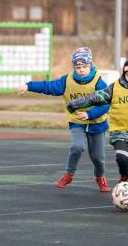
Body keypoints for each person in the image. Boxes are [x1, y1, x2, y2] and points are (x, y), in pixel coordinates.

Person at [67, 54, 128, 204]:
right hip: (119, 132)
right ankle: (125, 175)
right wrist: (76, 103)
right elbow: (95, 97)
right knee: (122, 158)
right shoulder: (115, 88)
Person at [15, 47, 111, 193]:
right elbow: (48, 86)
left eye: (84, 66)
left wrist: (90, 114)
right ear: (74, 67)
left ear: (90, 65)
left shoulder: (99, 83)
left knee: (98, 157)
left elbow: (106, 104)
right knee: (76, 147)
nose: (81, 70)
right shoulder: (67, 81)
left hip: (96, 123)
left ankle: (100, 177)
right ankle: (69, 175)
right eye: (78, 67)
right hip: (77, 121)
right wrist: (28, 86)